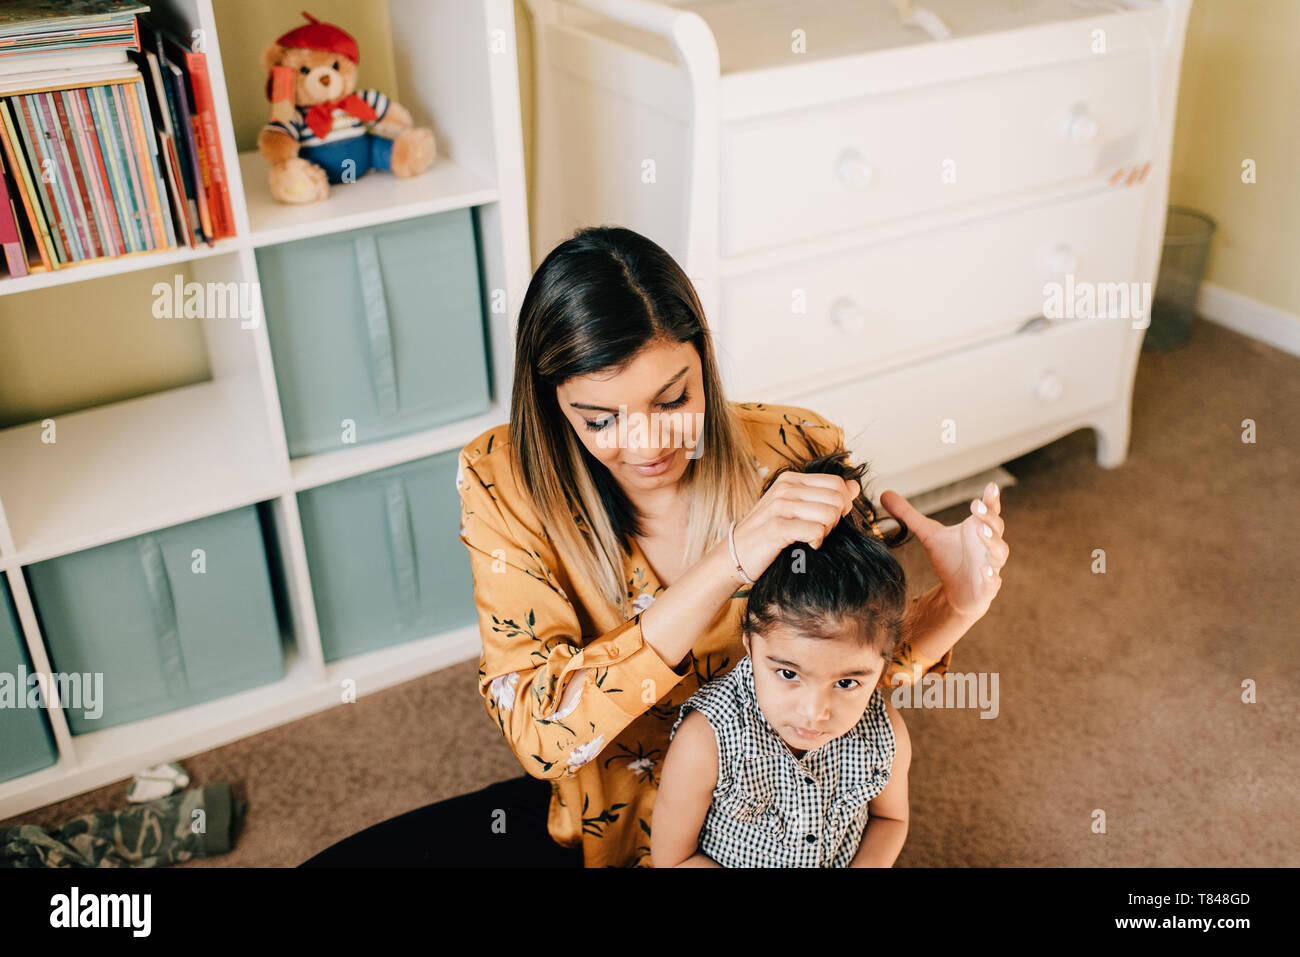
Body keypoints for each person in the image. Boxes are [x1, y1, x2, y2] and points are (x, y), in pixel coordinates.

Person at [300, 226, 1009, 868]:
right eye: (599, 418)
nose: (645, 445)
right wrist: (728, 559)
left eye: (673, 401)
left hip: (776, 829)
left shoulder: (796, 449)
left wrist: (960, 602)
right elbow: (541, 735)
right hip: (607, 827)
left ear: (704, 359)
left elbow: (839, 671)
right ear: (553, 406)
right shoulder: (503, 481)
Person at [651, 448, 913, 867]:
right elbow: (674, 860)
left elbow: (890, 820)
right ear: (750, 643)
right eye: (789, 673)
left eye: (847, 683)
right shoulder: (707, 741)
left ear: (883, 664)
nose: (814, 712)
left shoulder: (885, 735)